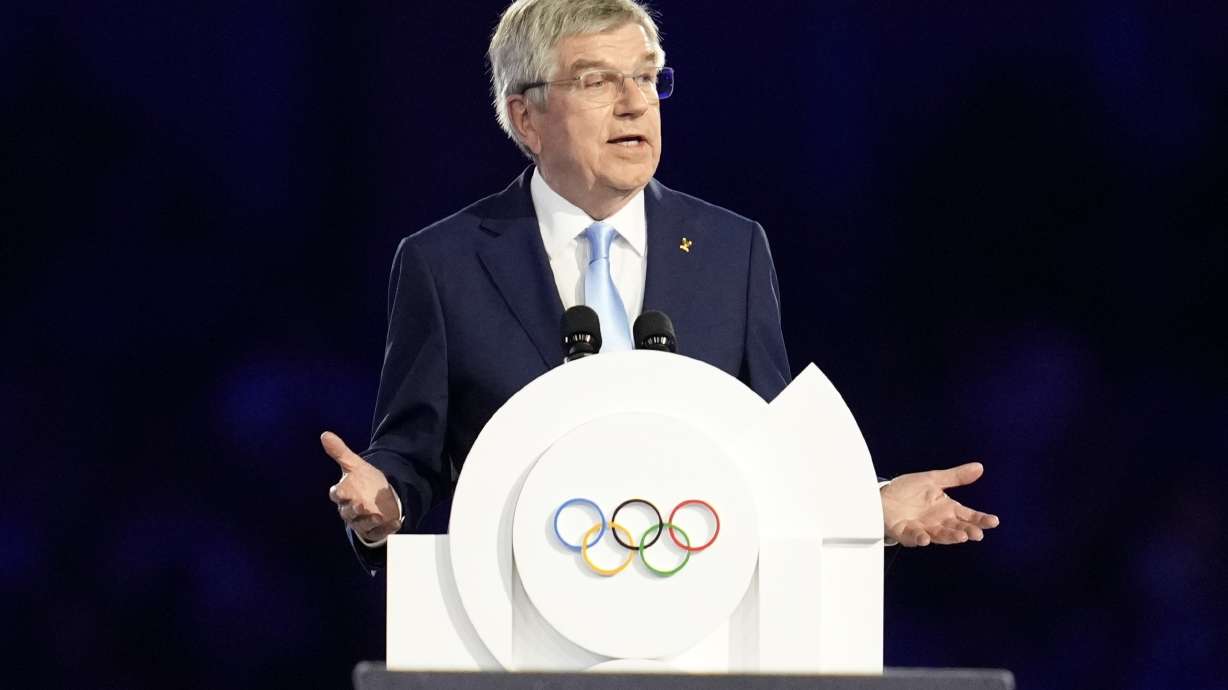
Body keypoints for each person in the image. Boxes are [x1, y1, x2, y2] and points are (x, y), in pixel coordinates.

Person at [323, 0, 999, 573]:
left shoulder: (732, 249)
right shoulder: (443, 263)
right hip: (519, 620)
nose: (632, 103)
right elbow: (410, 453)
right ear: (526, 118)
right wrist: (383, 503)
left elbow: (773, 450)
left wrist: (869, 504)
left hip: (703, 612)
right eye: (596, 82)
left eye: (647, 78)